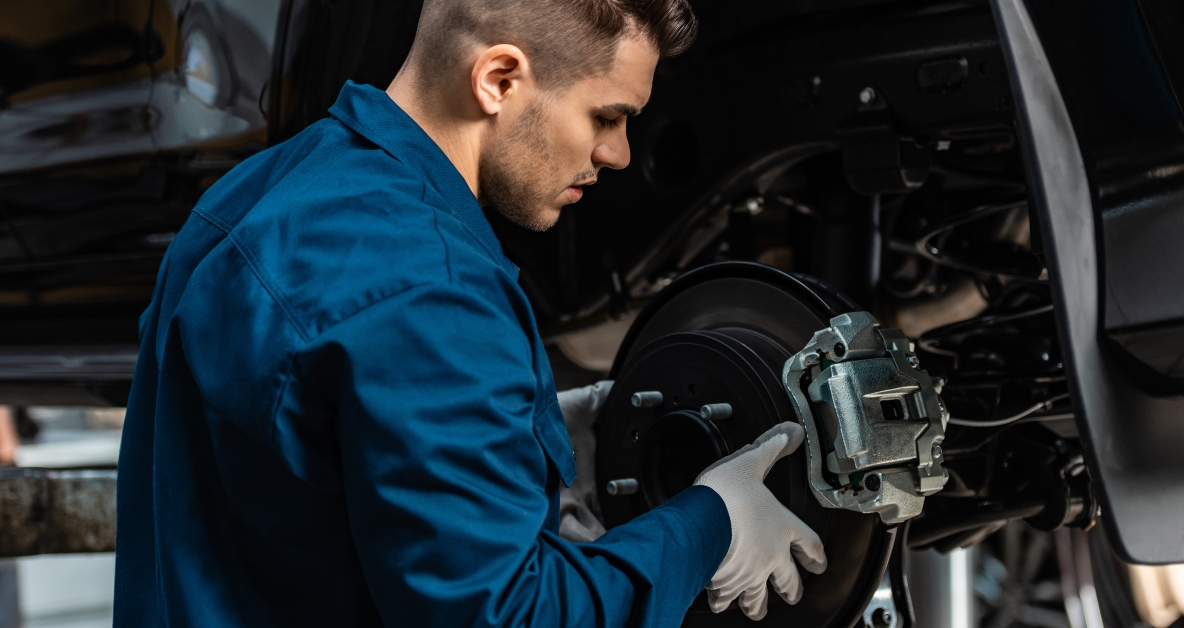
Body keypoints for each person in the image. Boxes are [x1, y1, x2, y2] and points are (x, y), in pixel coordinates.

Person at [114, 0, 826, 625]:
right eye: (606, 115)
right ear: (499, 79)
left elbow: (290, 481)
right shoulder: (433, 290)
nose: (617, 153)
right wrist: (713, 525)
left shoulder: (248, 196)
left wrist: (526, 437)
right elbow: (515, 616)